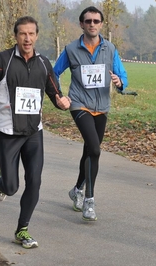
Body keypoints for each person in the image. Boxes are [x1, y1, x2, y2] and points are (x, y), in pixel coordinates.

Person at [0, 16, 71, 249]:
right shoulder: (1, 60)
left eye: (31, 34)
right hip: (8, 132)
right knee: (11, 187)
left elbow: (54, 92)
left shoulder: (44, 63)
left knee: (34, 181)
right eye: (23, 34)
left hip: (34, 132)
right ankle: (2, 182)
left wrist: (61, 102)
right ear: (16, 36)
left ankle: (22, 230)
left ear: (36, 36)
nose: (27, 38)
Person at [53, 6, 128, 221]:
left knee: (90, 151)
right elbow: (54, 72)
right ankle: (89, 200)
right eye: (88, 21)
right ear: (82, 24)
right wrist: (59, 96)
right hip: (79, 104)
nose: (92, 24)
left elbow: (122, 74)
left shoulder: (110, 49)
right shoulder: (70, 49)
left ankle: (76, 189)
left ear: (101, 24)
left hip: (102, 106)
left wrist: (120, 82)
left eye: (96, 21)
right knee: (95, 148)